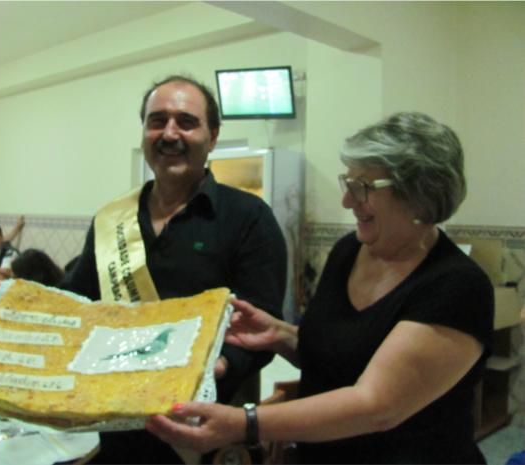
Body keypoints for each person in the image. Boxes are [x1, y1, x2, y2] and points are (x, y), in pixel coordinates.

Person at [145, 112, 495, 464]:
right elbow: (339, 358)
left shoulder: (458, 286)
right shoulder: (349, 251)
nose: (347, 201)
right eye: (349, 183)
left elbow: (375, 406)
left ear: (419, 194)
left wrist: (244, 423)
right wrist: (280, 335)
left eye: (362, 187)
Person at [60, 75, 287, 463]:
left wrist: (218, 365)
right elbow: (78, 301)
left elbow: (261, 323)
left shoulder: (249, 218)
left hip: (202, 433)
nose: (169, 133)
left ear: (212, 137)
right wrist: (18, 317)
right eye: (157, 121)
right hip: (115, 423)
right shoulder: (111, 219)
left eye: (186, 122)